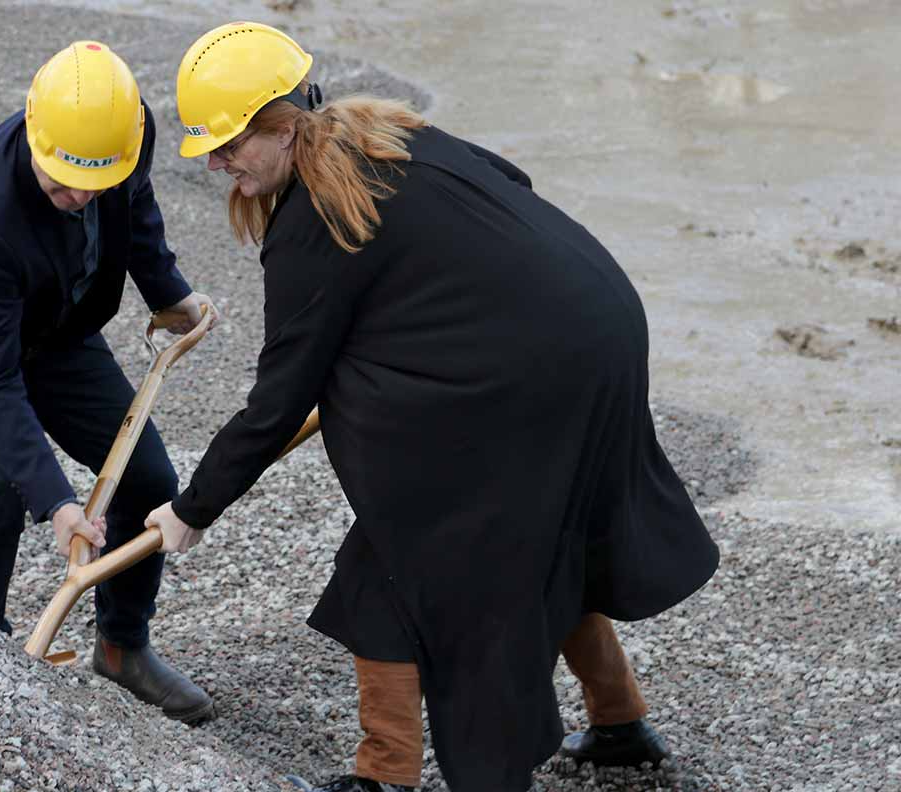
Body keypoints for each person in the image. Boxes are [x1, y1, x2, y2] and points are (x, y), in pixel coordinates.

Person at [145, 21, 719, 789]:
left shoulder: (316, 220)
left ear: (282, 125)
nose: (217, 163)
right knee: (556, 529)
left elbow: (279, 396)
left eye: (229, 144)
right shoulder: (388, 131)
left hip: (534, 373)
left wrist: (193, 508)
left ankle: (385, 772)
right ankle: (620, 722)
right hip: (601, 324)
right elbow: (510, 181)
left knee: (391, 558)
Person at [0, 40, 218, 725]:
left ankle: (122, 649)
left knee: (148, 475)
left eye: (93, 181)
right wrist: (57, 503)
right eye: (61, 184)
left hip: (49, 312)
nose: (80, 195)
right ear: (34, 133)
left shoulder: (121, 132)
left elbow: (136, 216)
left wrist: (169, 295)